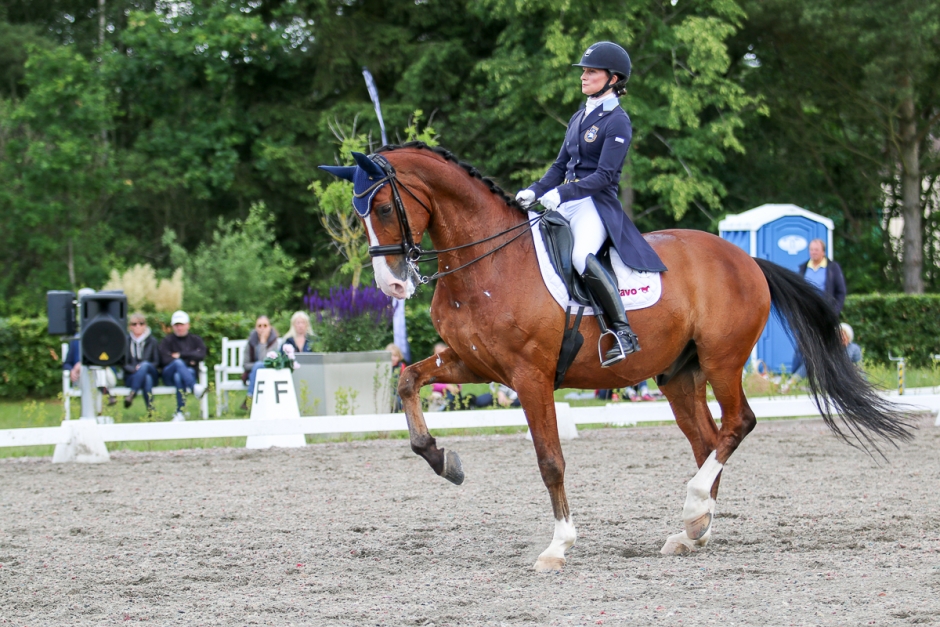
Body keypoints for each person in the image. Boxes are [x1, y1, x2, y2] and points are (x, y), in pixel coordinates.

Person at [515, 41, 666, 368]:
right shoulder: (579, 116)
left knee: (580, 256)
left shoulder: (618, 121)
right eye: (584, 71)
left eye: (591, 72)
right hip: (565, 200)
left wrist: (563, 194)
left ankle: (624, 332)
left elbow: (605, 175)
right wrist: (535, 190)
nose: (583, 76)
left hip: (594, 205)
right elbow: (559, 166)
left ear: (613, 79)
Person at [791, 238, 848, 376]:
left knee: (824, 345)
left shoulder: (832, 268)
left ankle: (827, 376)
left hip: (824, 313)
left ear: (823, 252)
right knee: (802, 345)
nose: (813, 252)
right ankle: (794, 378)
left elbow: (841, 292)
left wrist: (834, 312)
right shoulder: (803, 268)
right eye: (811, 250)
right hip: (807, 313)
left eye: (816, 250)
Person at [159, 310, 207, 422]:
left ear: (188, 325)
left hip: (185, 375)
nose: (179, 327)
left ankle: (180, 412)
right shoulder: (167, 341)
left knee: (179, 375)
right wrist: (189, 360)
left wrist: (180, 355)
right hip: (168, 375)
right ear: (172, 326)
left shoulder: (195, 340)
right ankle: (194, 387)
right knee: (177, 364)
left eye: (181, 324)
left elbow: (201, 354)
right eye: (176, 325)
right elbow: (164, 359)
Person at [241, 315, 279, 411]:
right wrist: (256, 367)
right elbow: (245, 364)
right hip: (253, 374)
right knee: (257, 366)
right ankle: (251, 400)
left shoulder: (273, 341)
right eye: (259, 326)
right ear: (256, 327)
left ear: (269, 327)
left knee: (259, 365)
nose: (262, 328)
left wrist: (263, 342)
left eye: (265, 325)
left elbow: (266, 361)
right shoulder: (251, 342)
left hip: (270, 372)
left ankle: (249, 398)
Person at [123, 313, 160, 411]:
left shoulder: (152, 341)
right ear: (130, 326)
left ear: (145, 325)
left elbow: (157, 362)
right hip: (132, 376)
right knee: (146, 378)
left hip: (151, 372)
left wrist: (142, 367)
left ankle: (132, 393)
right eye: (134, 324)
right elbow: (123, 363)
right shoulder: (126, 341)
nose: (138, 326)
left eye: (141, 323)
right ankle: (151, 410)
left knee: (145, 365)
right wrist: (135, 370)